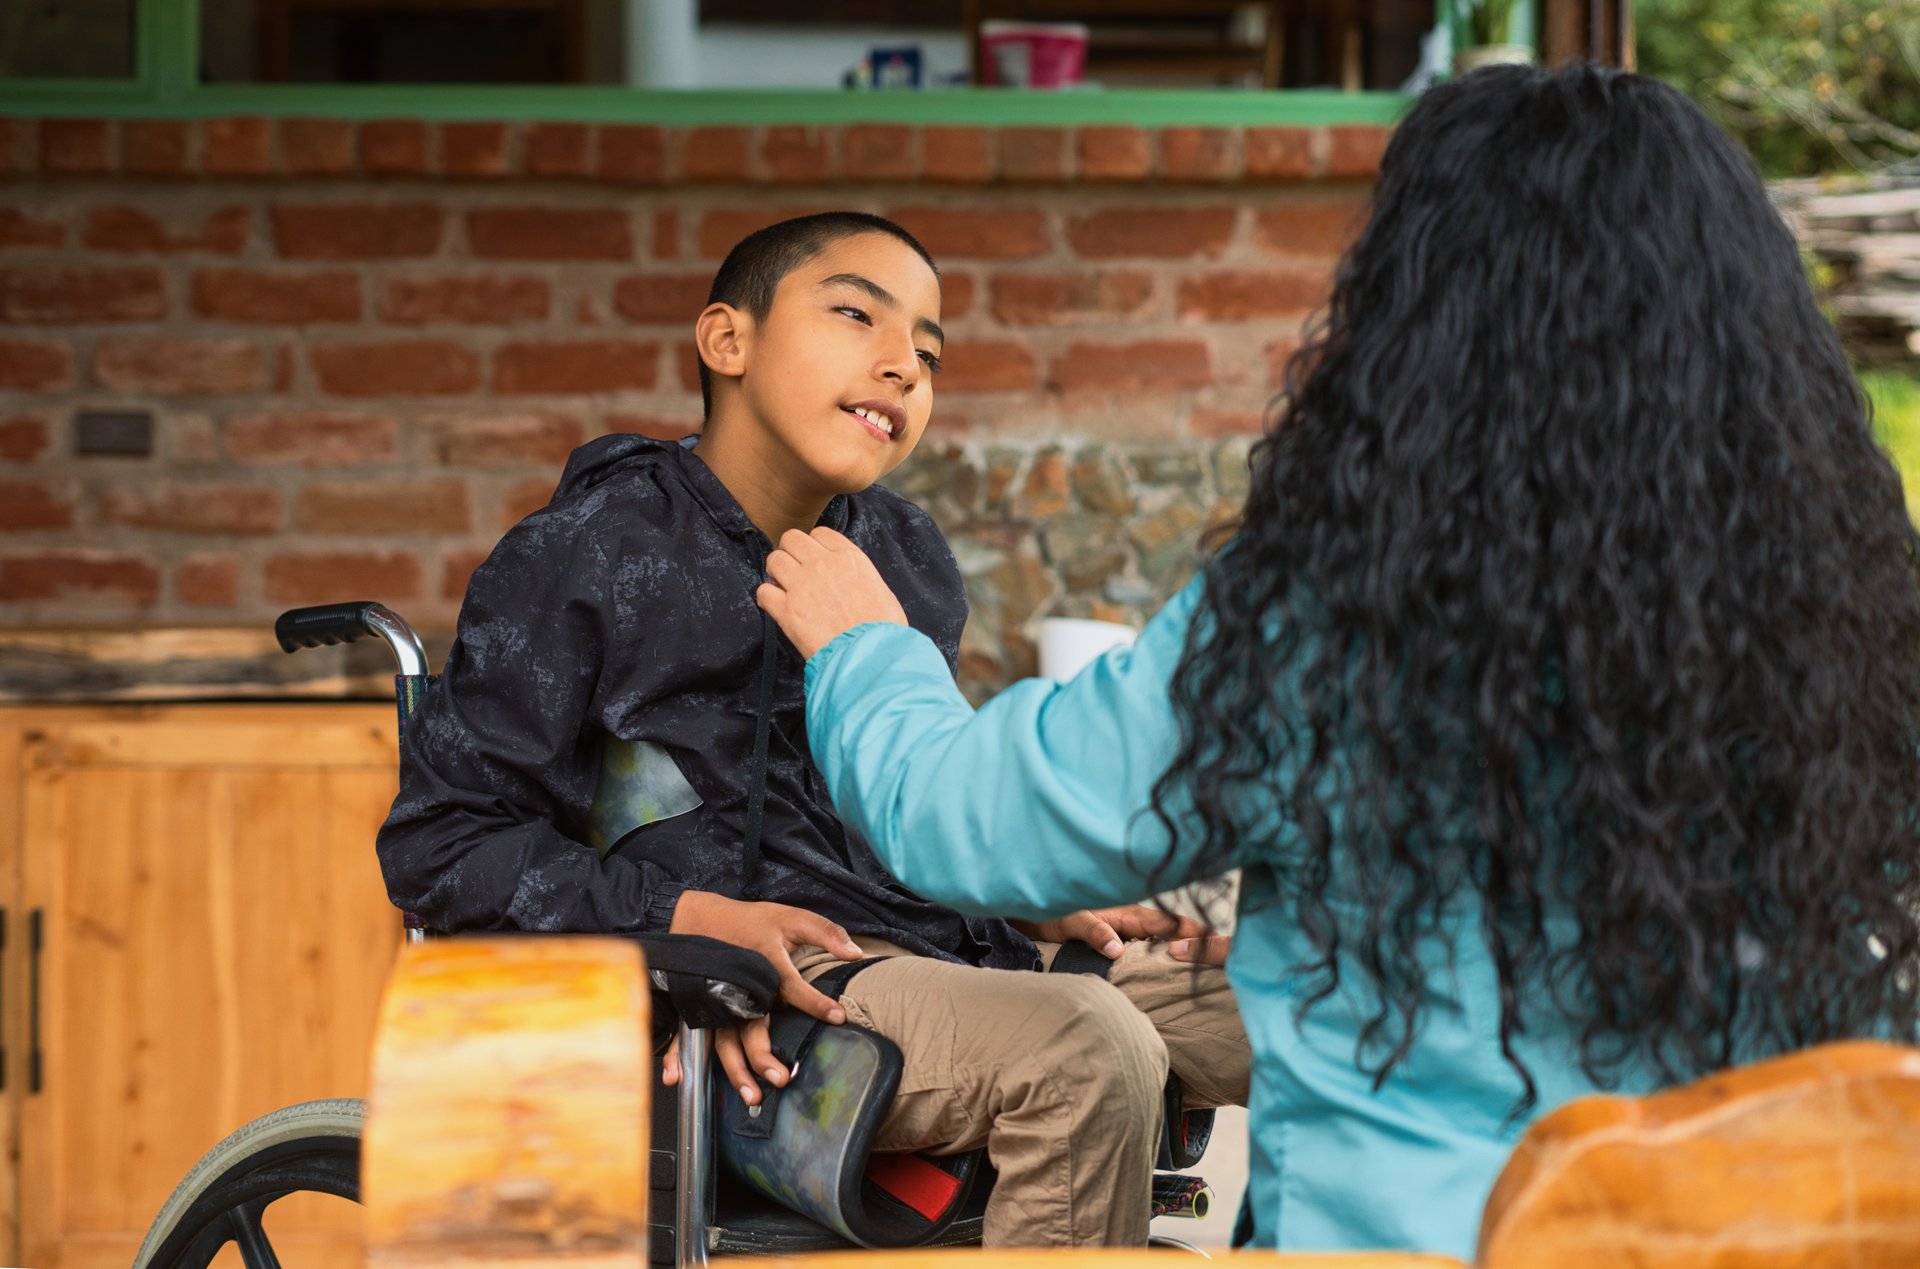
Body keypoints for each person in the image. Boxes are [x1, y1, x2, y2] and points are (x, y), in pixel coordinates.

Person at [755, 66, 1920, 1259]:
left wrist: (864, 650)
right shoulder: (1858, 627)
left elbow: (968, 820)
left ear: (1424, 321)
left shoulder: (1331, 623)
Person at [377, 210, 1250, 1248]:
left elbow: (901, 793)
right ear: (727, 341)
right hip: (764, 1003)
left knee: (1331, 999)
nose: (903, 368)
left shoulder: (902, 555)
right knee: (1088, 1048)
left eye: (928, 354)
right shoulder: (588, 552)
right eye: (856, 316)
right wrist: (692, 918)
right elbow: (442, 845)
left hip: (946, 954)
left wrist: (1031, 899)